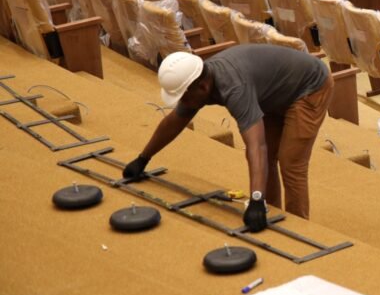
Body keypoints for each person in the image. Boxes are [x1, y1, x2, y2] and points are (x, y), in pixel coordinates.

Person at [122, 45, 333, 230]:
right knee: (268, 159)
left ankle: (300, 227)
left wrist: (256, 200)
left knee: (291, 163)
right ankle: (273, 215)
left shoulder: (234, 88)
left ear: (203, 88)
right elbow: (174, 121)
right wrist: (143, 158)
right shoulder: (200, 82)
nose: (183, 102)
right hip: (275, 92)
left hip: (309, 87)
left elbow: (256, 146)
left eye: (184, 96)